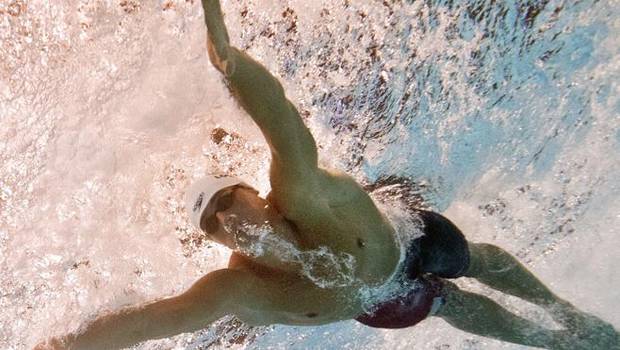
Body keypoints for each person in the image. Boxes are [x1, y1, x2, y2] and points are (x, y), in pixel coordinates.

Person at [37, 1, 619, 349]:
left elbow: (281, 121)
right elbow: (158, 320)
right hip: (382, 298)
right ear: (215, 244)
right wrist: (65, 347)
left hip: (407, 237)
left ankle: (561, 307)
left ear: (253, 195)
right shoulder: (239, 288)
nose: (225, 220)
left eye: (225, 202)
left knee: (466, 259)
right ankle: (558, 339)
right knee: (447, 306)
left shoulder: (298, 193)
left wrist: (231, 61)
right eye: (214, 224)